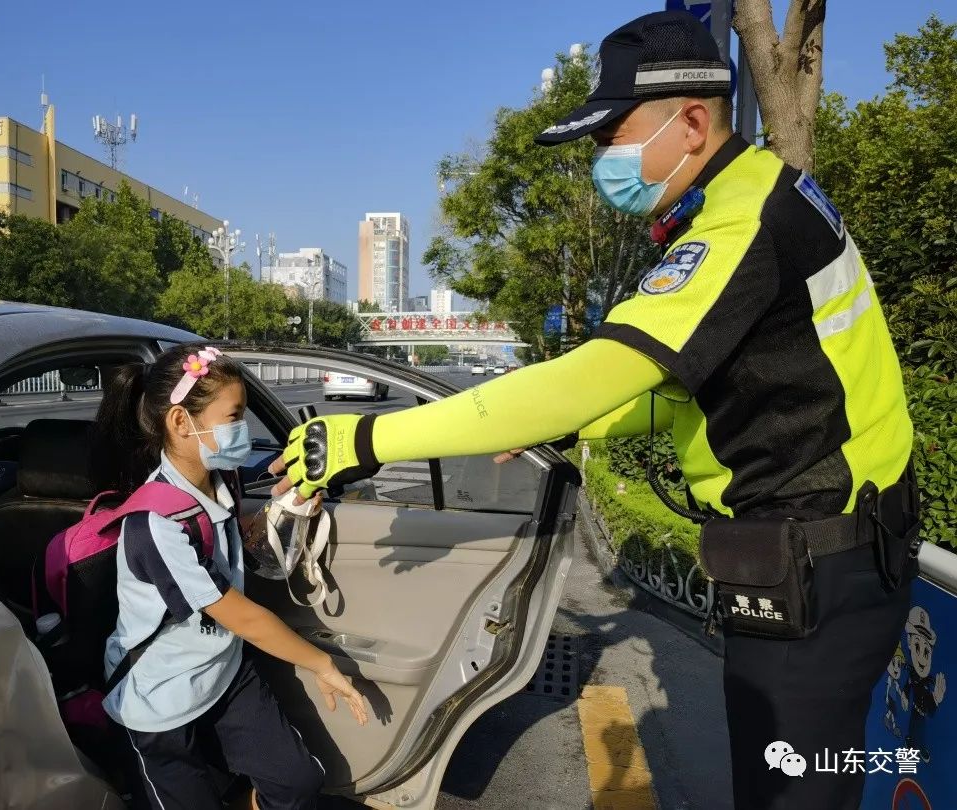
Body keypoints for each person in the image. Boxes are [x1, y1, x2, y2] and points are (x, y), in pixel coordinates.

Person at [268, 11, 920, 810]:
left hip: (821, 569)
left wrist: (365, 438)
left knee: (790, 789)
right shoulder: (761, 197)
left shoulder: (737, 226)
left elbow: (590, 375)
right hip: (834, 561)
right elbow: (722, 398)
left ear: (689, 123)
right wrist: (583, 423)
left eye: (615, 134)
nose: (605, 160)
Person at [92, 344, 368, 810]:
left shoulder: (221, 478)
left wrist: (292, 488)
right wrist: (320, 663)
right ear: (181, 422)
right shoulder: (153, 526)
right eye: (235, 417)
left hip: (221, 672)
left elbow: (243, 521)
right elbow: (245, 619)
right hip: (160, 703)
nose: (243, 431)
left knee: (297, 783)